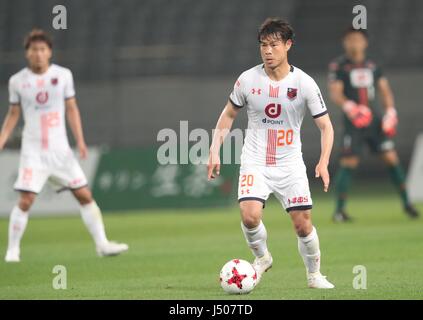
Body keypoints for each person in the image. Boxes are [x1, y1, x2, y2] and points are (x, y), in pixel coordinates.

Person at [208, 18, 335, 288]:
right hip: (255, 161)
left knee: (302, 225)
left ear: (288, 45)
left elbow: (326, 126)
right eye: (263, 45)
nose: (268, 51)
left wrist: (323, 162)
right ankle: (263, 257)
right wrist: (214, 149)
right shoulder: (247, 80)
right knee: (249, 216)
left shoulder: (304, 83)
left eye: (274, 45)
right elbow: (229, 114)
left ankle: (314, 275)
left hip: (290, 165)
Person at [0, 29, 129, 262]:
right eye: (33, 50)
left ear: (49, 52)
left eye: (42, 49)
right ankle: (12, 251)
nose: (38, 54)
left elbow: (71, 109)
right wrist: (1, 139)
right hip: (34, 152)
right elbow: (13, 114)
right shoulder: (17, 81)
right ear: (27, 53)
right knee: (26, 199)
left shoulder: (63, 76)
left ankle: (102, 244)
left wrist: (79, 140)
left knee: (84, 195)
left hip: (60, 151)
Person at [328, 27, 420, 222]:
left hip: (374, 121)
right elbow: (335, 92)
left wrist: (390, 112)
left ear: (365, 42)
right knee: (348, 162)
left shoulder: (372, 65)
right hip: (353, 122)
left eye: (357, 39)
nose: (354, 43)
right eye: (350, 39)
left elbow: (384, 90)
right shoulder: (339, 66)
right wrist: (351, 107)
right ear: (345, 43)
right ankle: (339, 211)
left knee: (391, 158)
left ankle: (407, 204)